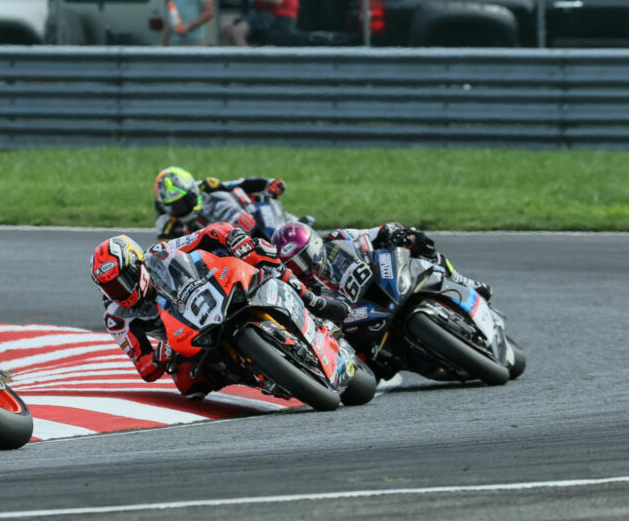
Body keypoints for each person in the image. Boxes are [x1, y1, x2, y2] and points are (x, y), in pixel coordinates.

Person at [90, 222, 348, 400]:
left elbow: (210, 233)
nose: (119, 292)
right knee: (188, 386)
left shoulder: (159, 253)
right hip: (182, 338)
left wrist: (235, 239)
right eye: (110, 287)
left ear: (137, 264)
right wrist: (161, 353)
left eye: (122, 281)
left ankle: (312, 300)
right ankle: (255, 374)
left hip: (208, 295)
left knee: (259, 253)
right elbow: (145, 368)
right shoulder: (116, 317)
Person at [271, 220, 492, 302]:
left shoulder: (338, 238)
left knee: (418, 241)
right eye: (293, 265)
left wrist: (394, 233)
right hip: (359, 318)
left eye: (303, 258)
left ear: (315, 245)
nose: (302, 268)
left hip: (384, 277)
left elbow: (375, 232)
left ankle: (462, 281)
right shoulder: (304, 293)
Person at [153, 165, 287, 240]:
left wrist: (268, 184)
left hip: (248, 221)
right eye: (175, 206)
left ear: (192, 191)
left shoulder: (207, 185)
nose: (182, 208)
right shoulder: (166, 222)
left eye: (184, 201)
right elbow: (164, 251)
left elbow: (239, 183)